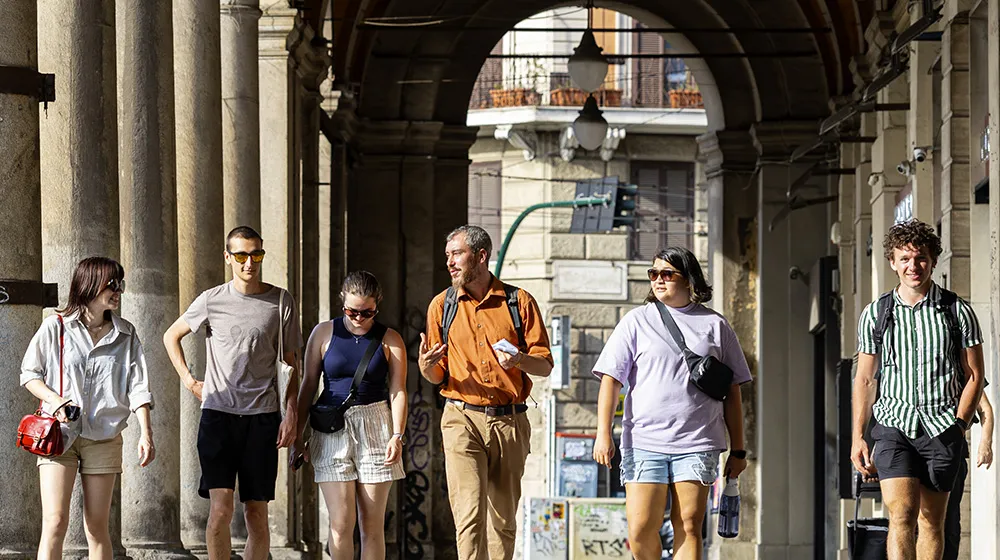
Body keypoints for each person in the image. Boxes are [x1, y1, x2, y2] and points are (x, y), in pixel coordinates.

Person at [592, 247, 751, 560]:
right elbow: (610, 379)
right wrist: (603, 433)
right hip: (643, 440)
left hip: (697, 440)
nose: (658, 280)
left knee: (689, 524)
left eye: (667, 274)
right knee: (639, 528)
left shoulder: (715, 325)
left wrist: (739, 450)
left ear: (689, 279)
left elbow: (733, 391)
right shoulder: (635, 322)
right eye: (654, 274)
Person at [163, 226, 301, 560]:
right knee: (220, 512)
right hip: (218, 416)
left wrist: (292, 412)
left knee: (257, 515)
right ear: (228, 258)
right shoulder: (211, 300)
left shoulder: (280, 300)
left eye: (256, 254)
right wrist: (189, 380)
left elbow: (290, 361)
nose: (249, 263)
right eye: (240, 255)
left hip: (263, 418)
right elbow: (171, 336)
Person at [851, 219, 985, 560]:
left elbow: (974, 375)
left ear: (933, 260)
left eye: (921, 258)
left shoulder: (958, 311)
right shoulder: (876, 314)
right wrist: (857, 437)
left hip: (942, 428)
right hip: (894, 426)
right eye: (906, 259)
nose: (914, 266)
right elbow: (865, 379)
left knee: (931, 522)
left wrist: (959, 425)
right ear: (893, 262)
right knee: (901, 516)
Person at [417, 224, 553, 560]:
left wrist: (520, 359)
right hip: (461, 416)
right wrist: (425, 365)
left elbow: (545, 366)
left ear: (481, 256)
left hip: (510, 421)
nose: (450, 262)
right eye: (447, 255)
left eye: (457, 254)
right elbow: (435, 376)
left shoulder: (519, 302)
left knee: (503, 520)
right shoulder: (442, 305)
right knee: (469, 515)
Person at [20, 257, 155, 560]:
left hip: (104, 437)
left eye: (120, 284)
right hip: (58, 434)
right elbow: (29, 374)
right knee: (55, 522)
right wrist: (57, 402)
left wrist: (146, 433)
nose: (118, 291)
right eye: (112, 284)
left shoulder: (126, 334)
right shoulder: (55, 326)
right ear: (90, 285)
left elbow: (138, 386)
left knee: (96, 527)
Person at [291, 271, 407, 559]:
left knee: (372, 526)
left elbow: (398, 391)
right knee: (341, 524)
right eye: (351, 311)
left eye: (366, 312)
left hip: (377, 425)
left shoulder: (390, 339)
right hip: (331, 428)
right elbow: (308, 385)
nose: (358, 318)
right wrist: (298, 434)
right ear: (342, 302)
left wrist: (397, 435)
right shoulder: (323, 333)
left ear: (376, 306)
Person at [943, 392, 993, 560]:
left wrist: (985, 444)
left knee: (949, 522)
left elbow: (985, 408)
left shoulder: (961, 367)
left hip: (950, 452)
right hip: (911, 452)